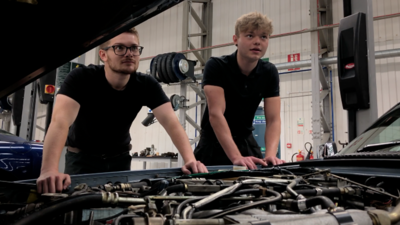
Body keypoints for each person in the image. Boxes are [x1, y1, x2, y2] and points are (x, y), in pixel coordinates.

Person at [37, 27, 208, 194]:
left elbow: (171, 122)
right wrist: (48, 170)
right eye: (119, 47)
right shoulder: (81, 78)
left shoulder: (146, 85)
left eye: (134, 48)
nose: (129, 53)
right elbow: (60, 122)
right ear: (103, 55)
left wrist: (190, 160)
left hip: (120, 160)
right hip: (82, 160)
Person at [194, 11, 285, 169]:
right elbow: (216, 114)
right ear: (235, 39)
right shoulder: (216, 66)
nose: (257, 42)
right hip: (213, 145)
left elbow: (273, 120)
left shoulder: (269, 72)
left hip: (246, 141)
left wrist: (271, 155)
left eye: (263, 36)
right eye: (250, 35)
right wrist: (236, 157)